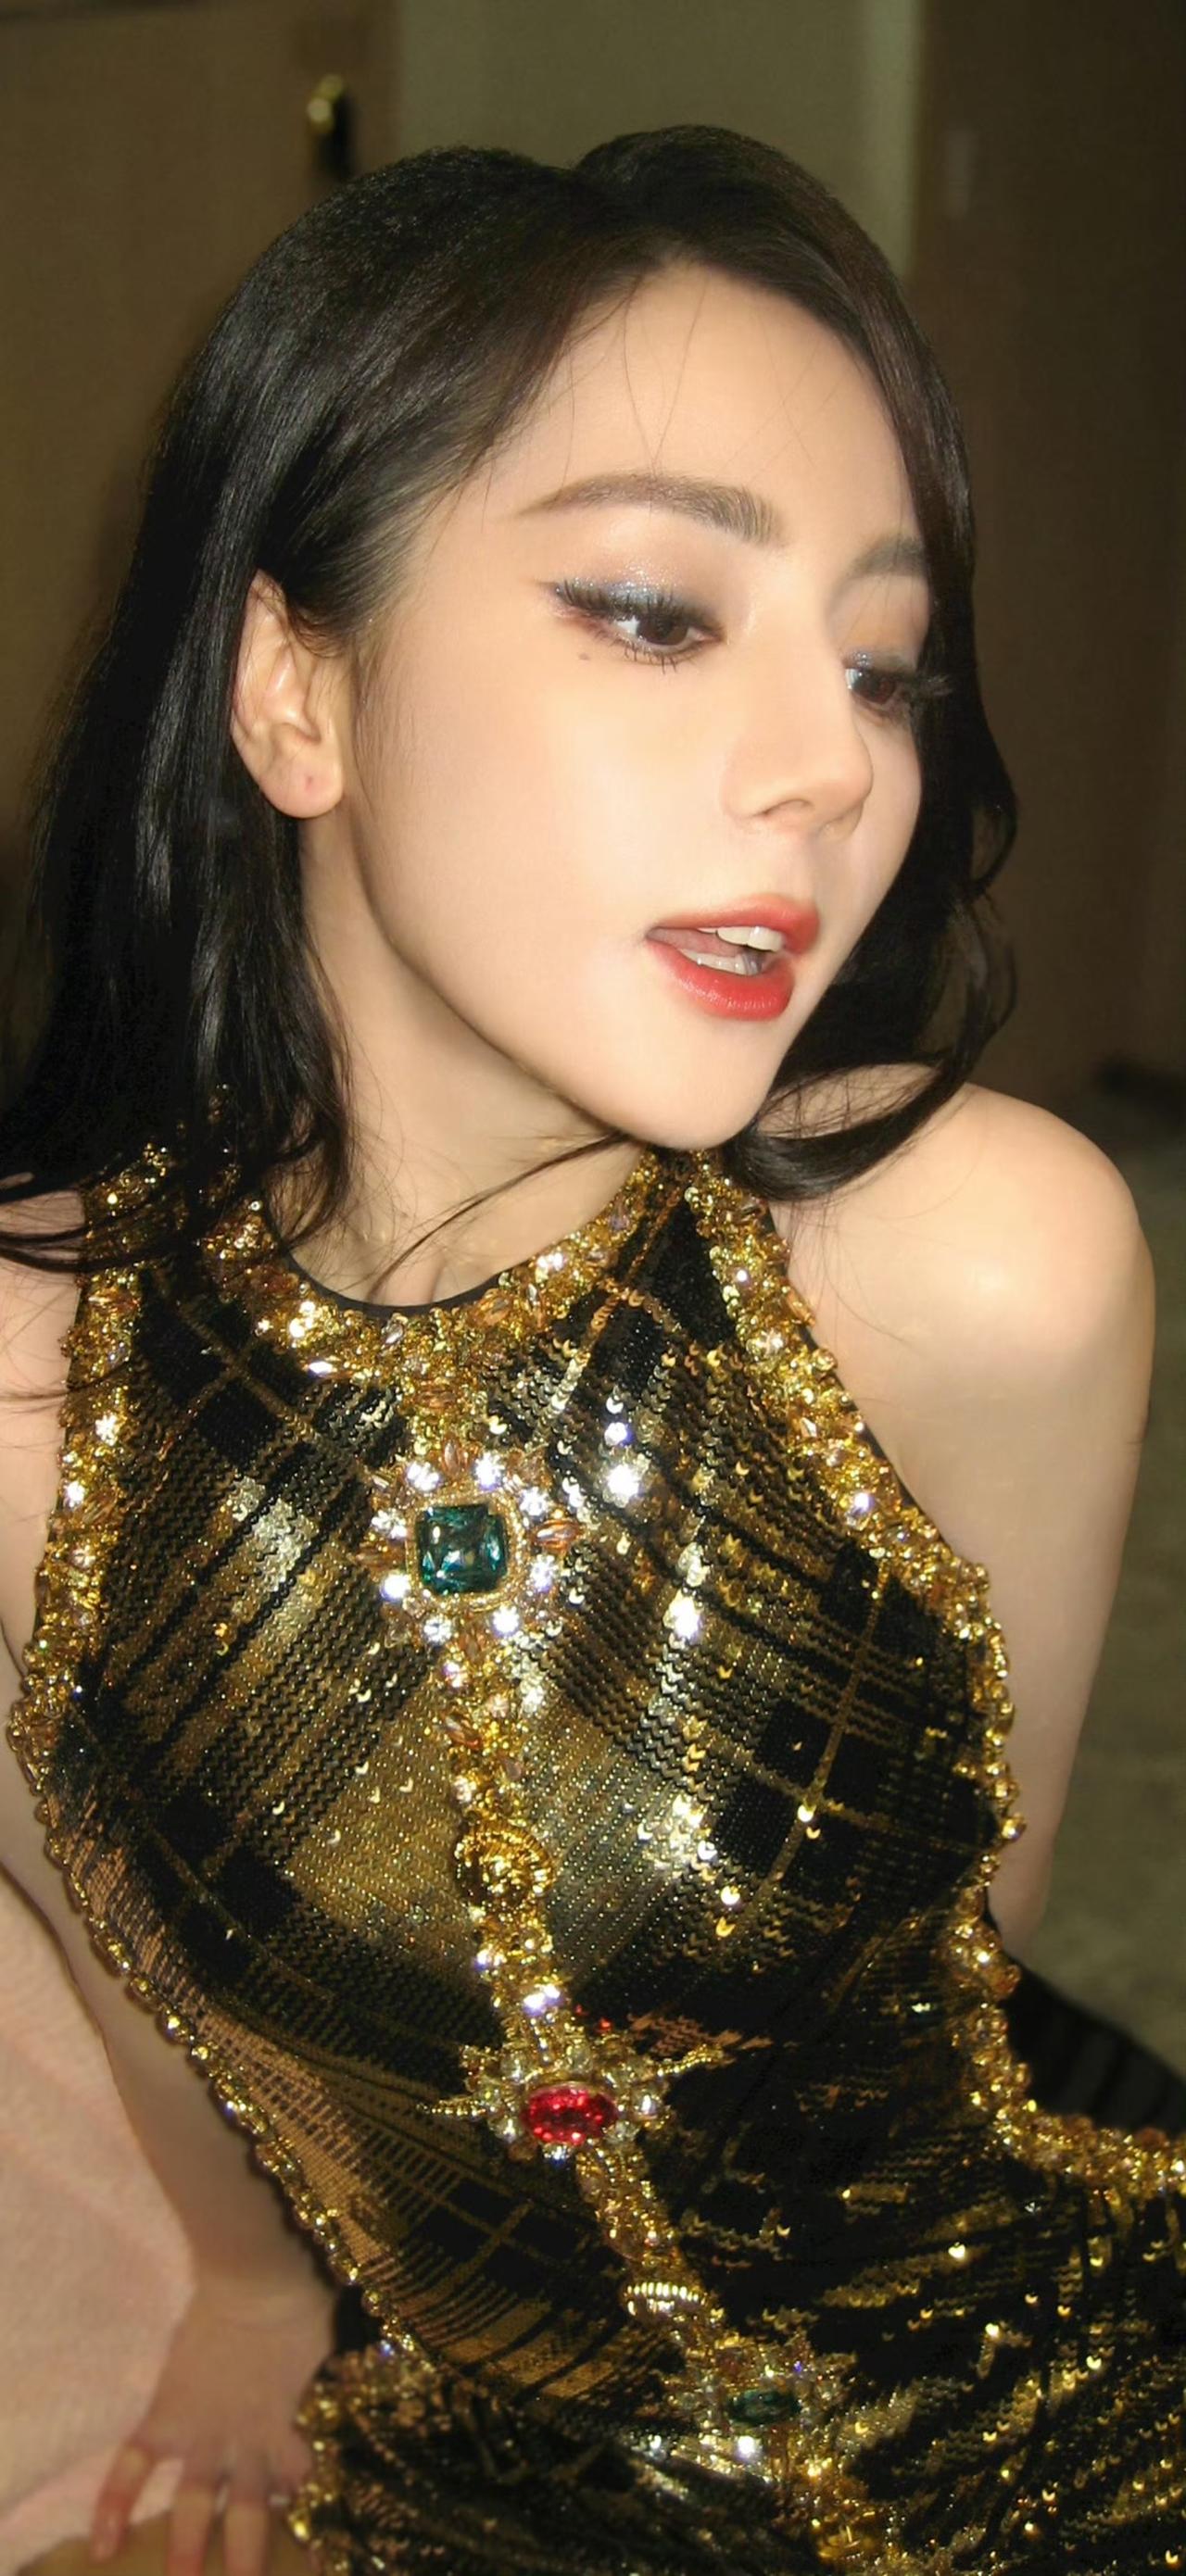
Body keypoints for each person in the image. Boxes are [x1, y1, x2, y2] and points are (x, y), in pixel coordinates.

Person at [0, 125, 1180, 2576]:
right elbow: (124, 1933)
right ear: (295, 689)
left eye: (885, 667)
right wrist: (245, 2285)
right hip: (475, 2473)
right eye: (657, 613)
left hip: (1057, 2406)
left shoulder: (993, 1268)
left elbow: (962, 1970)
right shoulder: (29, 1408)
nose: (834, 767)